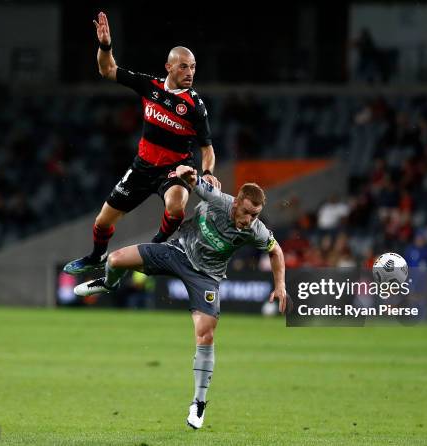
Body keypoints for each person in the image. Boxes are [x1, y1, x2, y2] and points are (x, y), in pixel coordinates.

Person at [74, 165, 288, 429]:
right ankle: (108, 284)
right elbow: (191, 177)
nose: (249, 219)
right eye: (246, 212)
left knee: (205, 333)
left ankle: (198, 403)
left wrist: (280, 285)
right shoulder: (218, 199)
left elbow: (276, 250)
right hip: (177, 252)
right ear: (237, 203)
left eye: (255, 215)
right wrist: (186, 170)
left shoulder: (256, 230)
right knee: (116, 259)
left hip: (206, 276)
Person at [64, 11, 220, 275]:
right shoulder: (150, 85)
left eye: (193, 67)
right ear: (169, 66)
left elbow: (207, 148)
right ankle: (96, 256)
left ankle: (156, 247)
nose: (190, 72)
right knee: (102, 222)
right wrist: (105, 45)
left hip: (176, 169)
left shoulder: (195, 106)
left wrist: (207, 173)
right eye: (184, 66)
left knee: (176, 204)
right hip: (142, 167)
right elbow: (107, 69)